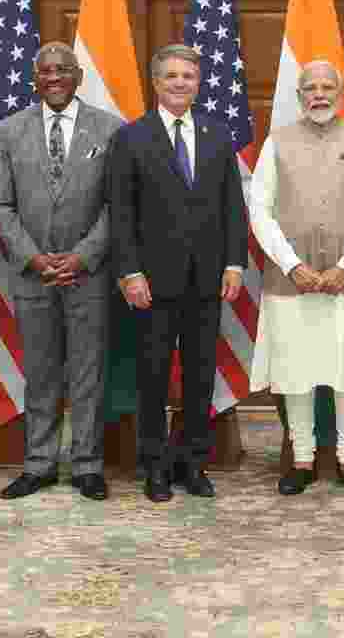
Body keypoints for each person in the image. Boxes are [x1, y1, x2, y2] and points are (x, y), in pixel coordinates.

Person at [107, 43, 248, 503]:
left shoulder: (218, 133)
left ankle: (192, 462)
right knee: (152, 375)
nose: (180, 83)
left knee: (200, 375)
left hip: (207, 279)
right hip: (152, 281)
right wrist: (129, 272)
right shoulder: (131, 137)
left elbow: (232, 205)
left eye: (188, 75)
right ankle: (154, 466)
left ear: (198, 81)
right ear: (156, 82)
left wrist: (233, 262)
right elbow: (121, 213)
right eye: (171, 76)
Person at [249, 60, 344, 498]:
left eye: (328, 86)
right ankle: (304, 460)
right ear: (299, 96)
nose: (319, 94)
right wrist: (292, 265)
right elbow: (260, 211)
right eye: (311, 87)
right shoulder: (276, 143)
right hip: (293, 281)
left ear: (341, 92)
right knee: (295, 372)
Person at [0, 42, 123, 502]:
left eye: (63, 70)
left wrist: (83, 256)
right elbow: (1, 205)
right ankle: (39, 464)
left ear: (79, 76)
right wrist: (33, 257)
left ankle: (87, 465)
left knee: (88, 372)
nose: (54, 77)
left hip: (89, 274)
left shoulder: (110, 129)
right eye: (45, 71)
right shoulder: (9, 131)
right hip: (32, 275)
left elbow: (117, 205)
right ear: (34, 77)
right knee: (42, 372)